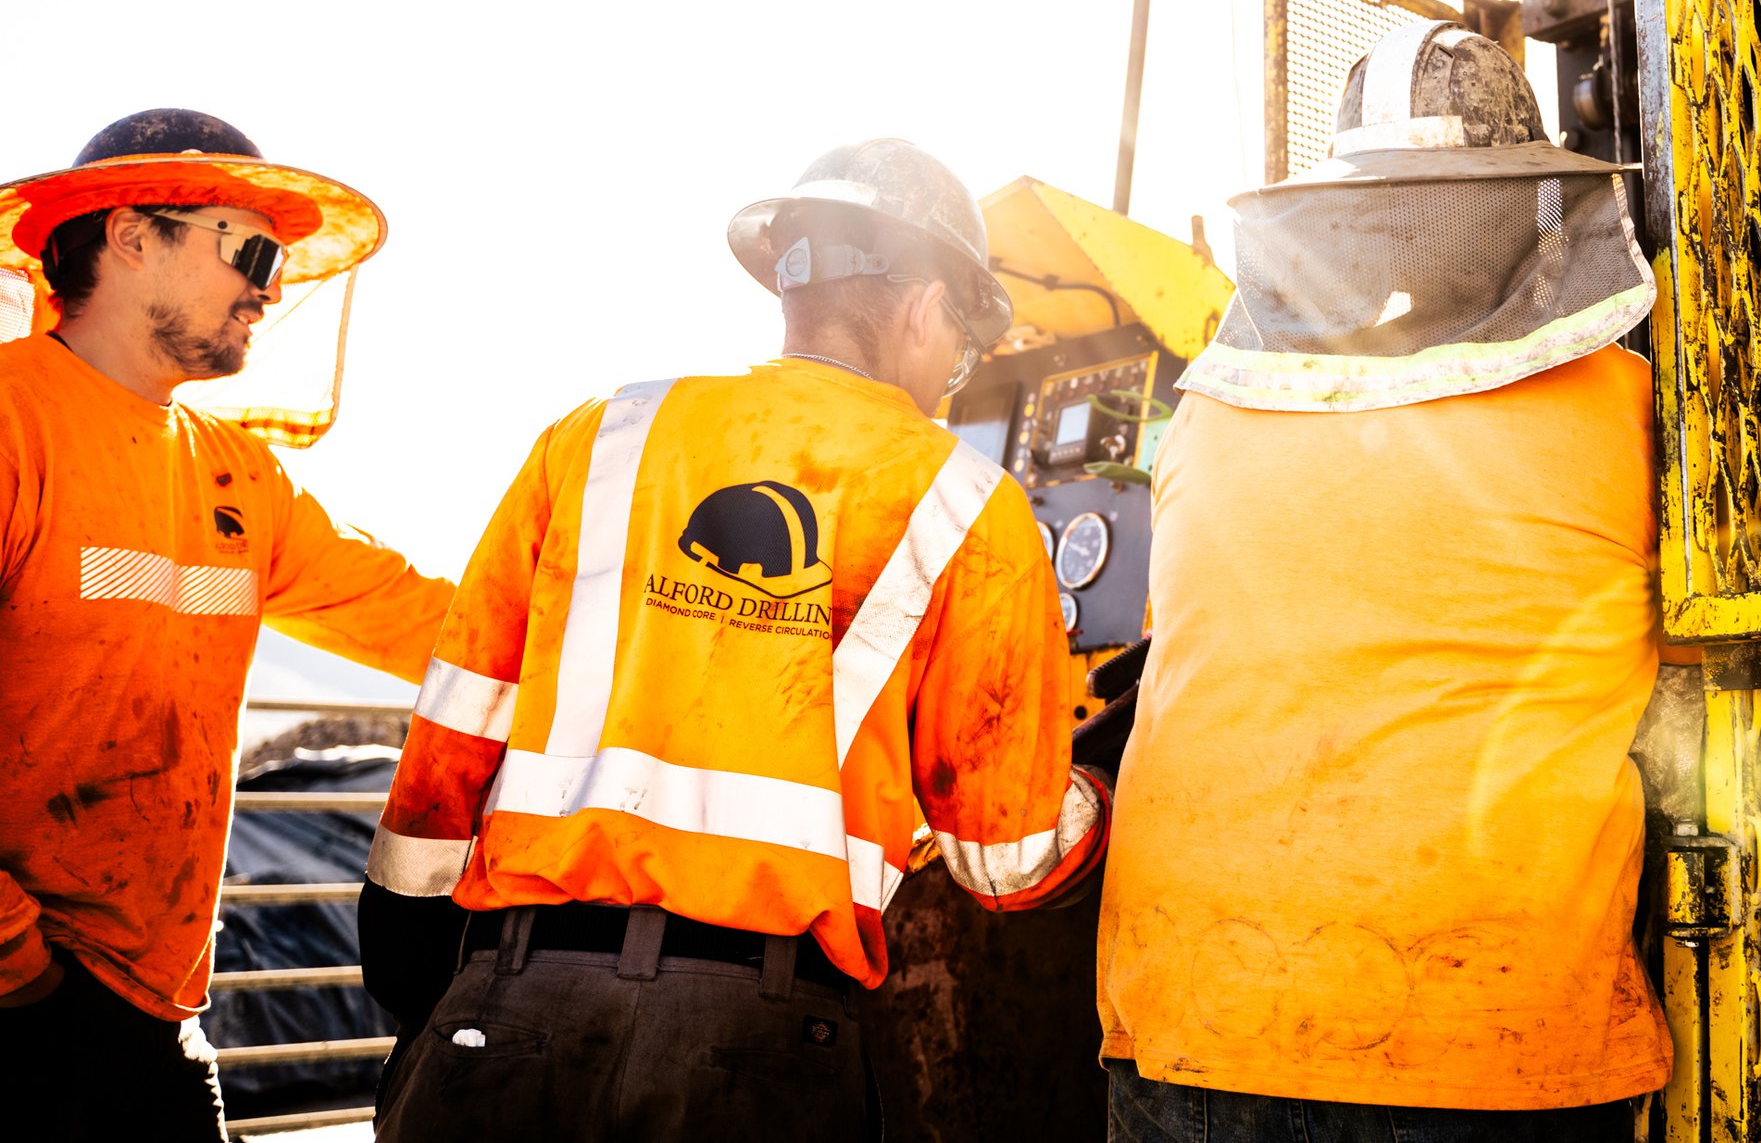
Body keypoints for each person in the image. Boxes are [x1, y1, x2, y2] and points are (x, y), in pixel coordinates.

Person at [360, 137, 1110, 1142]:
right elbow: (1003, 856)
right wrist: (1102, 790)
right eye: (963, 351)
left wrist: (408, 940)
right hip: (757, 1041)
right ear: (928, 307)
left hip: (514, 997)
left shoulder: (600, 435)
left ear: (791, 281)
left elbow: (462, 710)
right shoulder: (966, 502)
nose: (953, 377)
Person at [1095, 26, 1682, 1138]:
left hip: (1195, 1005)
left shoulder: (1207, 417)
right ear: (1528, 205)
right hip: (1475, 1026)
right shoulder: (1628, 406)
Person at [0, 108, 457, 1142]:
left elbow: (429, 621)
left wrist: (645, 635)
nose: (271, 285)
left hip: (150, 1013)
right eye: (248, 247)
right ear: (128, 235)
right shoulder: (13, 421)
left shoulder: (238, 473)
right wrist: (18, 968)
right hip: (25, 998)